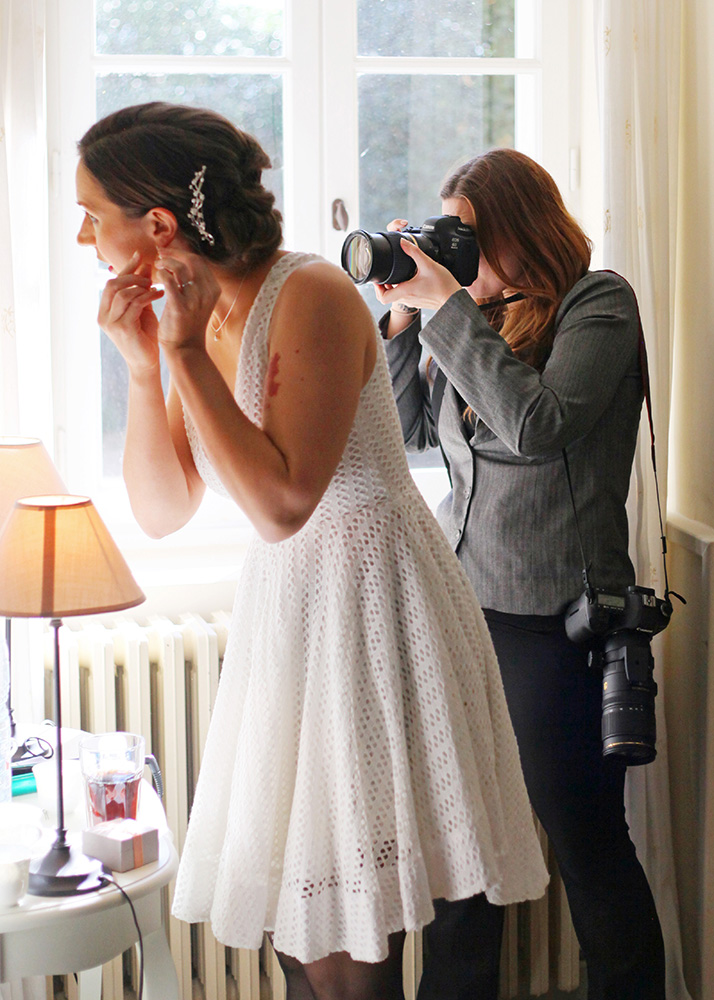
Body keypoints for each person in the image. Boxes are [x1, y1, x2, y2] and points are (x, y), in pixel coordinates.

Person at [75, 104, 548, 1000]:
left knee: (350, 931)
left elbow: (283, 501)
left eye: (93, 213)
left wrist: (184, 352)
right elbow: (164, 508)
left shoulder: (311, 296)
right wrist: (146, 366)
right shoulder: (194, 315)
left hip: (374, 609)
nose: (82, 235)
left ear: (160, 226)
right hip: (293, 614)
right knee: (309, 932)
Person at [376, 147, 666, 1000]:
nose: (454, 258)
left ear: (515, 228)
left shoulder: (598, 304)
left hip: (556, 624)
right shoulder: (482, 320)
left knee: (585, 842)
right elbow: (407, 436)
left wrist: (445, 311)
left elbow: (539, 425)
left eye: (464, 238)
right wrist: (405, 323)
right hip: (464, 611)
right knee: (466, 848)